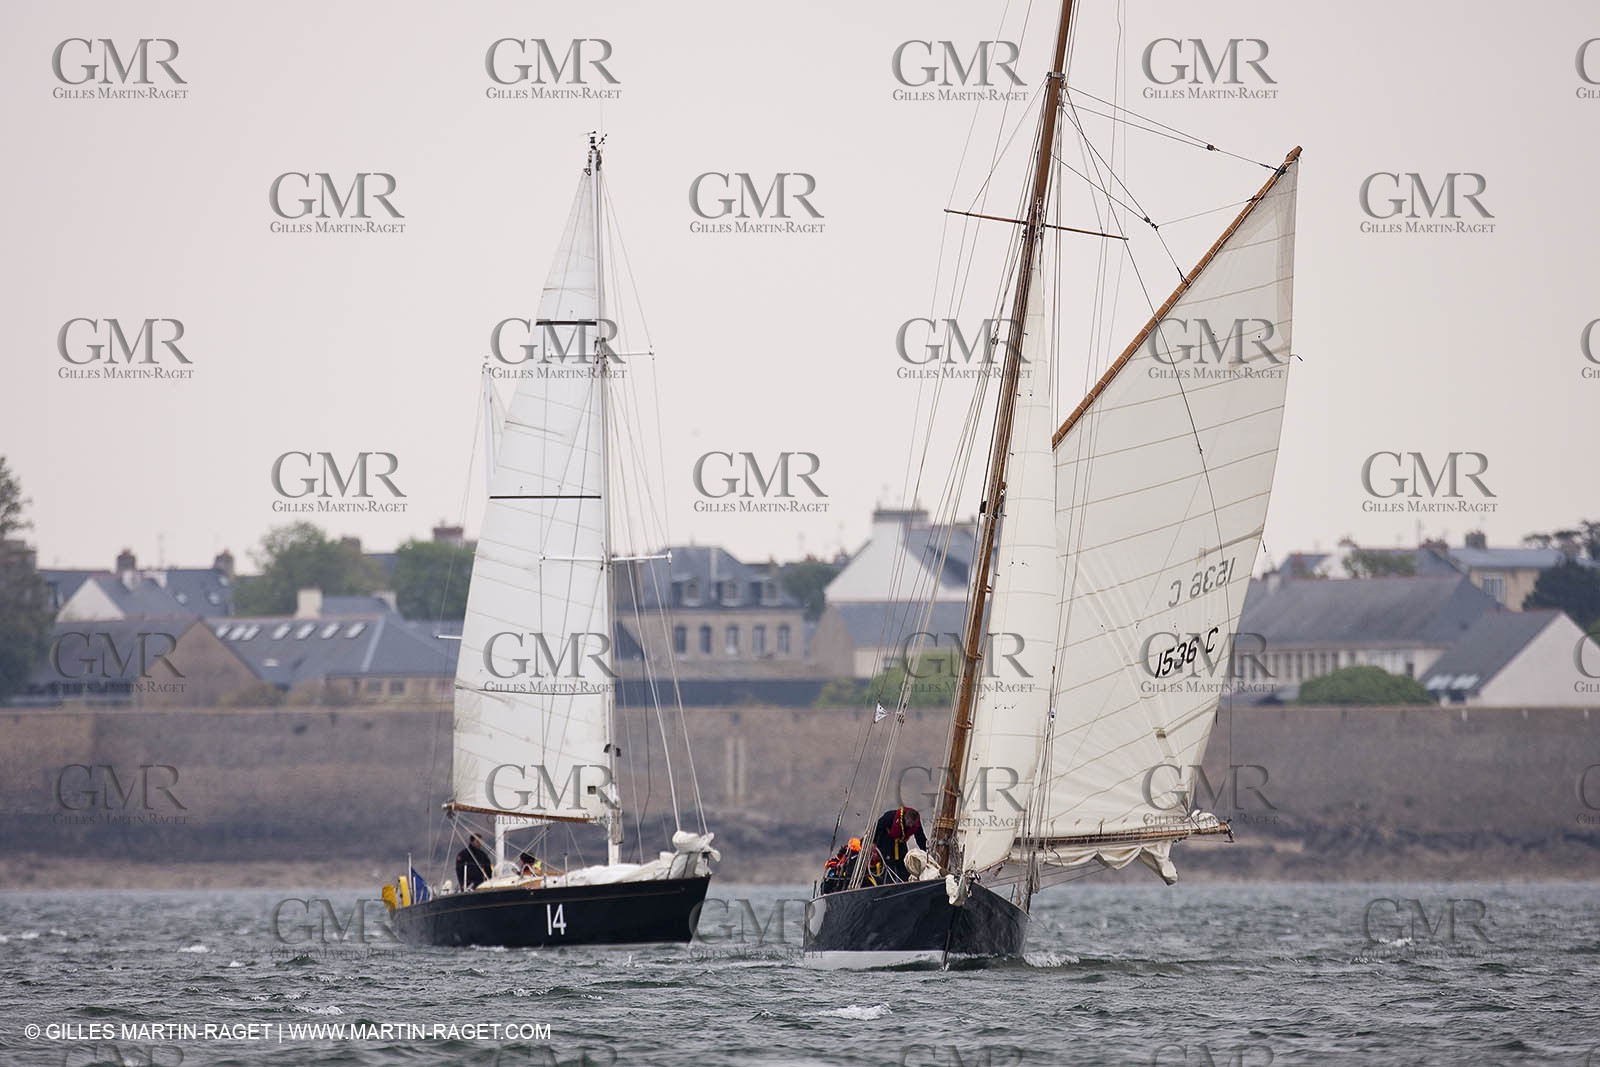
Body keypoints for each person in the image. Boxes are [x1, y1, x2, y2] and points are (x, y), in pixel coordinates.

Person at [873, 806, 927, 882]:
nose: (911, 825)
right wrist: (873, 843)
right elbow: (877, 827)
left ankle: (905, 882)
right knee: (888, 864)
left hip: (901, 843)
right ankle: (888, 884)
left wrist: (924, 852)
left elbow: (920, 837)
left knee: (904, 863)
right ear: (906, 818)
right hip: (886, 841)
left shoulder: (916, 823)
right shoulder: (890, 816)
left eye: (913, 824)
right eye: (910, 823)